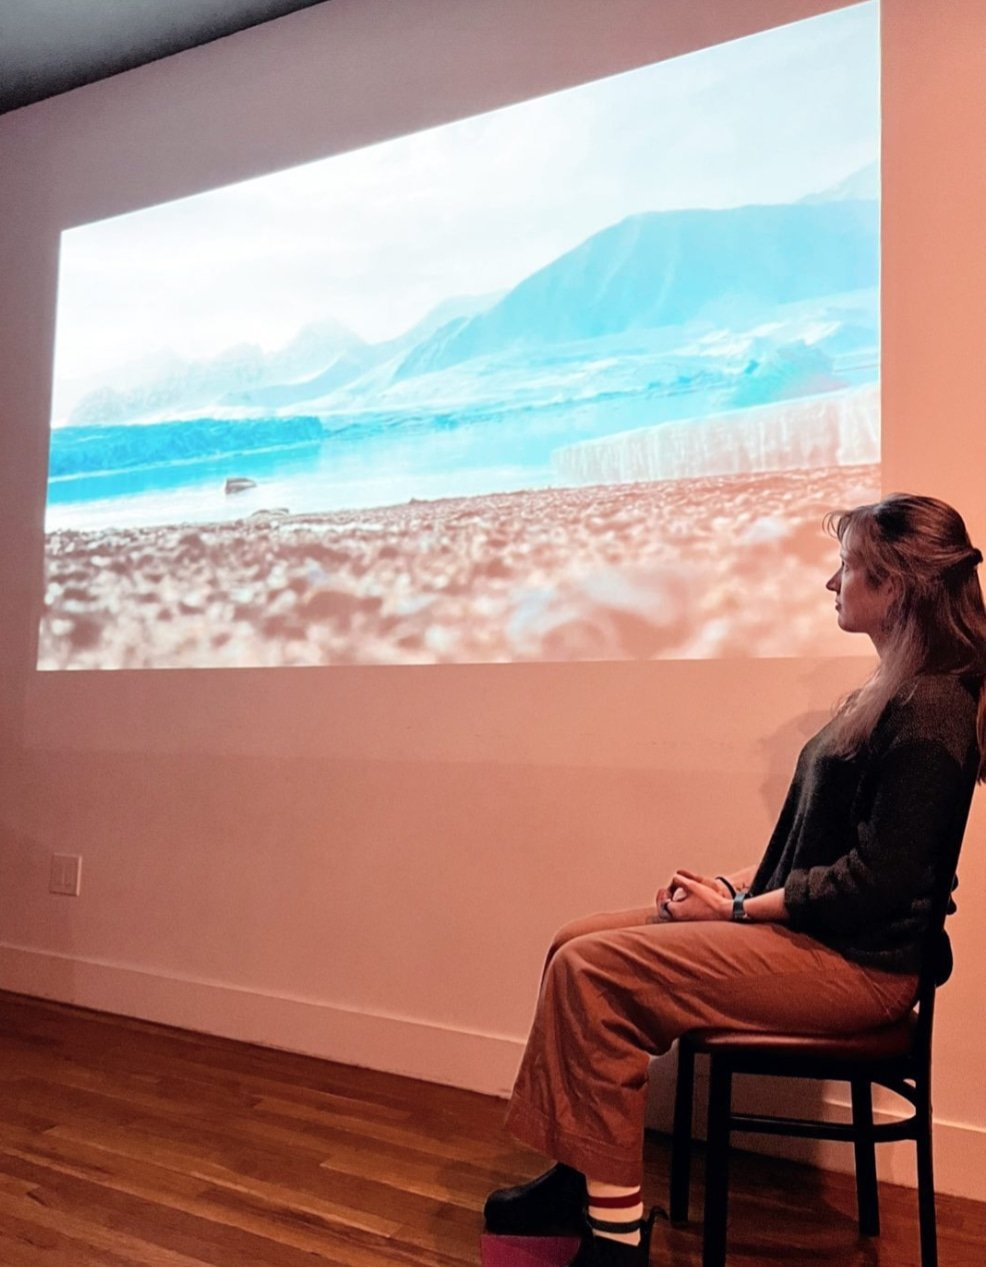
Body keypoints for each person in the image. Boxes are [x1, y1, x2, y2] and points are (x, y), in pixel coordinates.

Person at [484, 493, 986, 1267]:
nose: (832, 582)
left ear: (895, 586)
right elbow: (815, 849)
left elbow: (875, 883)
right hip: (818, 937)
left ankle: (616, 1240)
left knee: (594, 972)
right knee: (571, 942)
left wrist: (742, 910)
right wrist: (728, 890)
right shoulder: (893, 689)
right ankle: (578, 1178)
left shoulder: (933, 711)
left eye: (847, 567)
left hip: (859, 968)